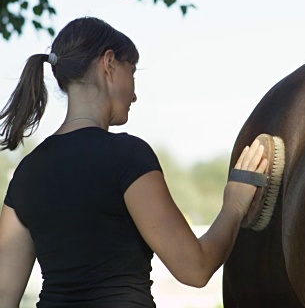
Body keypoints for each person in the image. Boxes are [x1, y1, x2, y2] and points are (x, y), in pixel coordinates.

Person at [0, 17, 268, 307]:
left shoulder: (27, 171)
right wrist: (235, 204)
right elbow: (195, 268)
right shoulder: (126, 155)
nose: (136, 94)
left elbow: (4, 295)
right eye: (133, 71)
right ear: (109, 63)